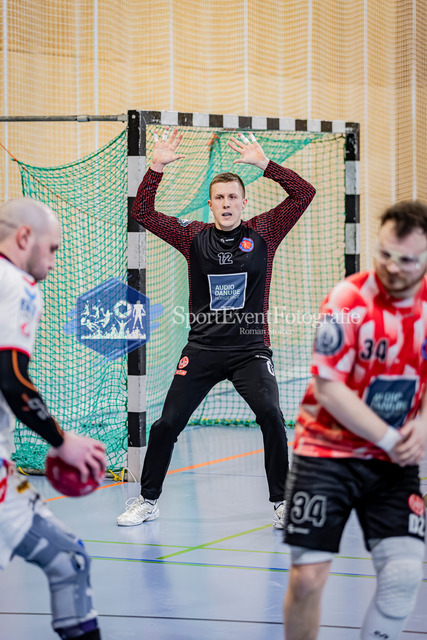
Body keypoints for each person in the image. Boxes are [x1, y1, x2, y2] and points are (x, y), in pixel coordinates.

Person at [117, 127, 316, 529]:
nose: (226, 204)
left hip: (250, 351)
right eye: (220, 198)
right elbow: (142, 213)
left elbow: (303, 193)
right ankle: (147, 501)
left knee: (272, 416)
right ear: (210, 204)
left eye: (232, 197)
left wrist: (265, 164)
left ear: (244, 202)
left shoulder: (264, 232)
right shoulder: (193, 236)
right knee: (166, 423)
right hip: (202, 350)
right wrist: (156, 166)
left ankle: (282, 503)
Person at [283, 200, 427, 640]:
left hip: (392, 463)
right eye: (385, 254)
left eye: (407, 260)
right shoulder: (348, 299)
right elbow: (329, 388)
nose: (393, 267)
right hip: (326, 454)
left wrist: (423, 424)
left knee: (403, 577)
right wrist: (391, 439)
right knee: (307, 580)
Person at [0, 198, 106, 640]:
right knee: (69, 561)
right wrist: (63, 441)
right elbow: (12, 380)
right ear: (24, 237)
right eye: (53, 249)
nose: (54, 261)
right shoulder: (16, 284)